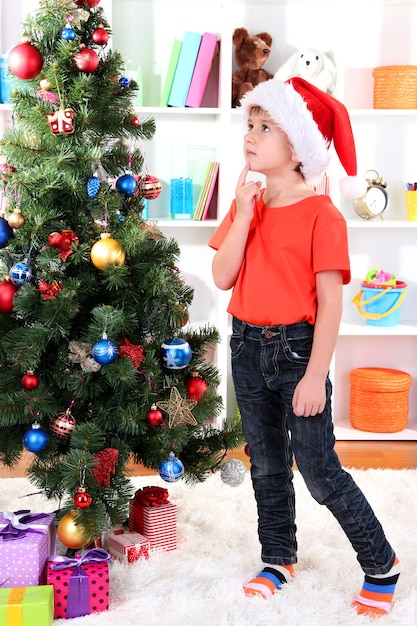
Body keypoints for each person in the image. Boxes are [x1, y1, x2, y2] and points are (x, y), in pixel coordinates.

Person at [208, 77, 400, 617]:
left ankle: (380, 561)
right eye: (250, 124)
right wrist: (244, 217)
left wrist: (316, 376)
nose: (251, 135)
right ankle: (278, 557)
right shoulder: (246, 206)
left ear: (298, 147)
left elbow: (331, 305)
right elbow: (222, 277)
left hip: (298, 353)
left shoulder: (322, 215)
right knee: (266, 464)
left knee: (317, 468)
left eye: (265, 127)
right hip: (245, 347)